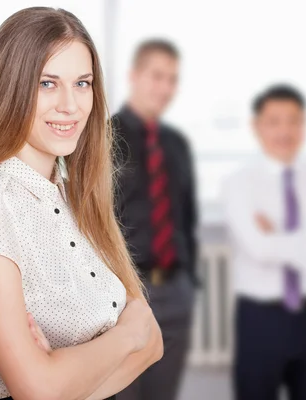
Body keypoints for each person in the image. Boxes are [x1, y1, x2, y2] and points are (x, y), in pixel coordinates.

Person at [0, 7, 163, 400]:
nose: (71, 106)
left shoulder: (77, 195)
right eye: (47, 83)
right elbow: (37, 389)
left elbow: (154, 342)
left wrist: (62, 376)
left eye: (83, 83)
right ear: (10, 88)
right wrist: (127, 334)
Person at [222, 84, 306, 400]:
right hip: (260, 318)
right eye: (274, 121)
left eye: (294, 120)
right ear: (256, 127)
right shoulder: (239, 184)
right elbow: (258, 249)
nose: (285, 130)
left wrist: (280, 239)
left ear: (304, 125)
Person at [111, 39, 197, 400]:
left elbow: (186, 218)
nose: (165, 88)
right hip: (125, 296)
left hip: (175, 293)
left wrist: (189, 283)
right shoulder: (102, 136)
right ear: (134, 75)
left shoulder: (176, 143)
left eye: (173, 79)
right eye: (157, 76)